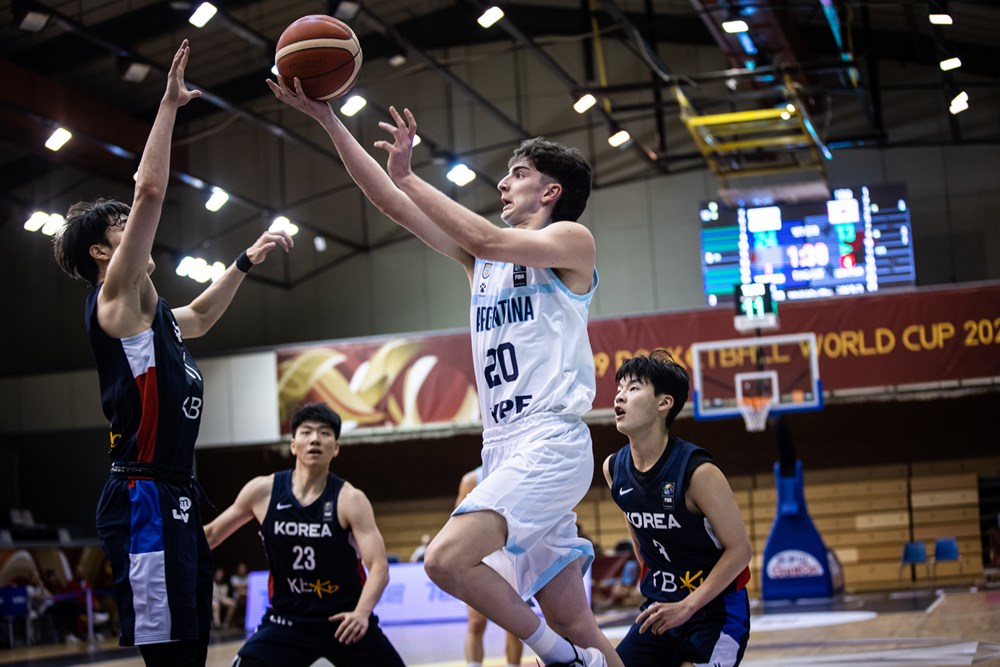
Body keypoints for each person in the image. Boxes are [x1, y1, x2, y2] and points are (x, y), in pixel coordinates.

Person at [267, 76, 620, 667]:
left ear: (551, 190)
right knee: (573, 617)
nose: (503, 182)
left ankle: (560, 659)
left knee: (444, 559)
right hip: (500, 446)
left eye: (518, 174)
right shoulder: (482, 262)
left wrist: (411, 173)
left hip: (549, 439)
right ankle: (577, 651)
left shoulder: (571, 240)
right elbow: (388, 202)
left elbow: (479, 231)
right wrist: (329, 120)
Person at [52, 41, 292, 666]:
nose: (134, 227)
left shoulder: (158, 320)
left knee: (192, 651)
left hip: (178, 493)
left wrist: (245, 259)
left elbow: (204, 315)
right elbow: (152, 191)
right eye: (120, 227)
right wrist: (167, 105)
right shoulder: (115, 303)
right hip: (143, 500)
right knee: (169, 658)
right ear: (104, 253)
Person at [203, 402, 405, 667]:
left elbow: (379, 566)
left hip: (344, 619)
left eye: (324, 433)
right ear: (293, 444)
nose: (315, 440)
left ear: (336, 448)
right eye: (306, 432)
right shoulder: (263, 491)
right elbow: (212, 534)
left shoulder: (350, 499)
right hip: (286, 622)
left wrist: (361, 613)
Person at [602, 351, 752, 667]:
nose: (620, 396)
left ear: (663, 403)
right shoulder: (613, 469)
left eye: (633, 388)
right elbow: (639, 539)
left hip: (715, 611)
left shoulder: (698, 472)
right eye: (619, 388)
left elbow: (740, 551)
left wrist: (687, 605)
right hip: (660, 609)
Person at [458, 467, 523, 667]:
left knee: (515, 624)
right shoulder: (471, 479)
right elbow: (459, 521)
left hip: (510, 553)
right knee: (476, 622)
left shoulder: (520, 471)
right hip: (483, 554)